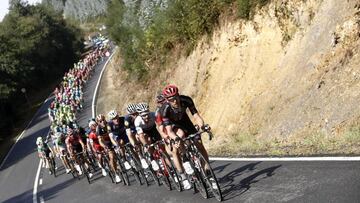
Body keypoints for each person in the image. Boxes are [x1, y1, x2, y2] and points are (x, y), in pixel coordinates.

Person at [160, 84, 210, 190]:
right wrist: (175, 138)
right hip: (174, 126)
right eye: (172, 99)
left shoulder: (186, 100)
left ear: (179, 95)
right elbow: (168, 130)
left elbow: (196, 116)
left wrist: (202, 126)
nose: (175, 101)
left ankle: (207, 172)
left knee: (199, 144)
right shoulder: (165, 109)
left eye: (176, 97)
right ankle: (184, 163)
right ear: (167, 100)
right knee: (180, 135)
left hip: (186, 122)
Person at [95, 114, 121, 183]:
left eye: (103, 120)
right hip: (105, 143)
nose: (102, 122)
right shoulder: (98, 129)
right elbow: (100, 141)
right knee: (111, 157)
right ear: (98, 122)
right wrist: (105, 147)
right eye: (100, 121)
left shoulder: (109, 124)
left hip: (112, 139)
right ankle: (116, 174)